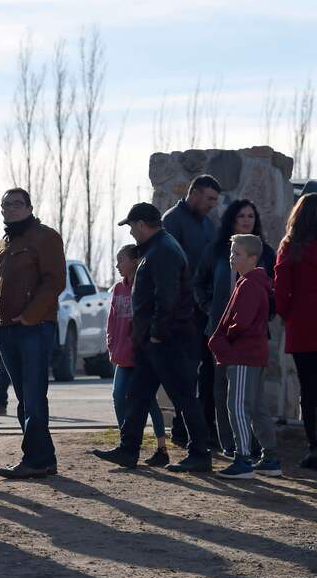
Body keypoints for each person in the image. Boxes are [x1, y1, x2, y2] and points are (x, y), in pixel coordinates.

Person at [93, 203, 212, 472]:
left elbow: (166, 297)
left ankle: (200, 454)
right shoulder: (158, 249)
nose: (131, 232)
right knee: (137, 395)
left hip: (167, 340)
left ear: (143, 224)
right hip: (154, 340)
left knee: (182, 397)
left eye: (132, 226)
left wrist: (157, 333)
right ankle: (128, 449)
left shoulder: (163, 251)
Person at [0, 188, 66, 479]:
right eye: (6, 205)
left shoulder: (45, 237)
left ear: (30, 207)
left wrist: (30, 316)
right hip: (6, 330)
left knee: (33, 397)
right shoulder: (3, 243)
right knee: (24, 398)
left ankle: (36, 460)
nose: (11, 209)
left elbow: (55, 281)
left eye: (17, 204)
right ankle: (42, 459)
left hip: (34, 328)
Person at [194, 199, 276, 455]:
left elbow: (272, 291)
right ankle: (228, 445)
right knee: (221, 392)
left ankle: (248, 452)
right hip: (218, 329)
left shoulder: (265, 257)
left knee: (246, 400)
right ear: (232, 219)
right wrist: (210, 310)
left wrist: (261, 317)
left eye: (251, 215)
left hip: (243, 340)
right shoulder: (217, 251)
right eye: (241, 215)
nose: (246, 219)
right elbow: (199, 282)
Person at [208, 234, 280, 479]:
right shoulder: (251, 282)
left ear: (252, 258)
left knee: (238, 406)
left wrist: (225, 340)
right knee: (258, 407)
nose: (231, 258)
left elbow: (241, 323)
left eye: (237, 254)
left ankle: (243, 459)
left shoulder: (249, 285)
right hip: (253, 354)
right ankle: (270, 458)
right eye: (231, 253)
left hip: (243, 355)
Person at [162, 174, 221, 447]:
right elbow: (170, 269)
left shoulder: (208, 225)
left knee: (205, 373)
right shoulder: (172, 221)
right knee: (184, 373)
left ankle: (202, 428)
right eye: (209, 198)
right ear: (194, 193)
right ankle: (181, 428)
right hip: (182, 313)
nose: (212, 204)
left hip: (204, 312)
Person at [107, 244, 168, 467]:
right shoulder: (118, 289)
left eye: (120, 260)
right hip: (122, 354)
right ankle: (128, 443)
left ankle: (161, 448)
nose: (117, 265)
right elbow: (112, 320)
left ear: (134, 261)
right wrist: (111, 344)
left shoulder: (143, 286)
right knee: (118, 395)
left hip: (141, 355)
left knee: (149, 401)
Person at [274, 193, 317, 469]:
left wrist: (288, 314)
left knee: (309, 389)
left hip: (303, 327)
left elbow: (280, 288)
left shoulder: (291, 247)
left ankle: (314, 446)